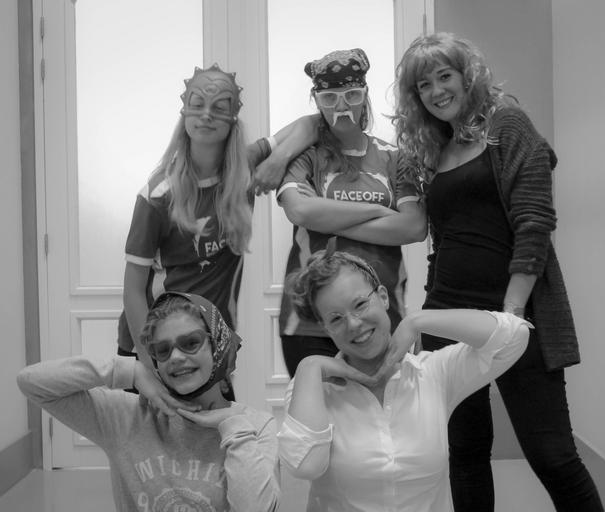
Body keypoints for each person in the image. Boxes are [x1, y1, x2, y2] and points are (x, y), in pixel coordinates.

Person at [392, 33, 604, 511]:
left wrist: (512, 313)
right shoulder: (433, 148)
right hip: (448, 315)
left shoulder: (506, 124)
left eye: (444, 76)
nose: (436, 91)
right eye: (423, 85)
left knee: (552, 455)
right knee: (465, 454)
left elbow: (535, 222)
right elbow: (442, 239)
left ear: (467, 76)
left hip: (513, 313)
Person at [119, 64, 313, 411]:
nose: (206, 115)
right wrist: (150, 362)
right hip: (155, 344)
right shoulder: (158, 194)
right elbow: (133, 289)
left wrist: (277, 161)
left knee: (217, 439)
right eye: (197, 104)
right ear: (184, 112)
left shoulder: (243, 171)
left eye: (219, 107)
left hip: (208, 344)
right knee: (152, 443)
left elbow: (310, 125)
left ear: (232, 117)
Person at [276, 246, 530, 512]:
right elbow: (306, 465)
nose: (353, 324)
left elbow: (515, 336)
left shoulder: (432, 373)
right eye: (336, 319)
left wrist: (417, 321)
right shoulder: (312, 388)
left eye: (360, 304)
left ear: (383, 297)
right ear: (325, 328)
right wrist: (309, 365)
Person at [18, 292, 280, 512]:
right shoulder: (127, 416)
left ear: (218, 346)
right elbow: (31, 382)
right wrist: (128, 370)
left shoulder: (255, 426)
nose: (175, 357)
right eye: (162, 350)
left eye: (191, 343)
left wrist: (234, 427)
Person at [275, 48, 426, 377]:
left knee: (383, 407)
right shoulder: (305, 158)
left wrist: (327, 219)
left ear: (364, 95)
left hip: (381, 315)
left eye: (351, 95)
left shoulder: (395, 158)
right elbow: (300, 211)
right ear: (317, 101)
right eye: (329, 98)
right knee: (318, 408)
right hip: (310, 322)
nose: (341, 106)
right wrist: (376, 210)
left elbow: (414, 227)